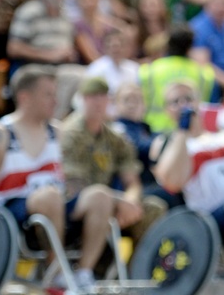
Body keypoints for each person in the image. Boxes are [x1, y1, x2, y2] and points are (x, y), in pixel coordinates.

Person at [0, 66, 132, 295]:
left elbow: (71, 183)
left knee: (99, 194)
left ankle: (83, 274)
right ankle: (56, 271)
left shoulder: (57, 132)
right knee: (48, 195)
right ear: (25, 97)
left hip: (54, 207)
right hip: (12, 213)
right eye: (48, 94)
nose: (55, 100)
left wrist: (117, 198)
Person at [153, 82, 224, 267]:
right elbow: (171, 182)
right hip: (210, 217)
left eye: (187, 99)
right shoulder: (168, 143)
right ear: (166, 110)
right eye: (175, 102)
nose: (183, 105)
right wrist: (182, 131)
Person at [59, 77, 165, 249]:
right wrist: (117, 202)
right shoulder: (69, 134)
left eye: (103, 96)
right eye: (92, 96)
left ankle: (132, 272)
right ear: (82, 99)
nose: (98, 102)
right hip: (78, 204)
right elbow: (73, 186)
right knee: (100, 201)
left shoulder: (114, 138)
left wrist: (129, 201)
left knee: (153, 208)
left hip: (111, 202)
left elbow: (132, 180)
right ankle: (96, 264)